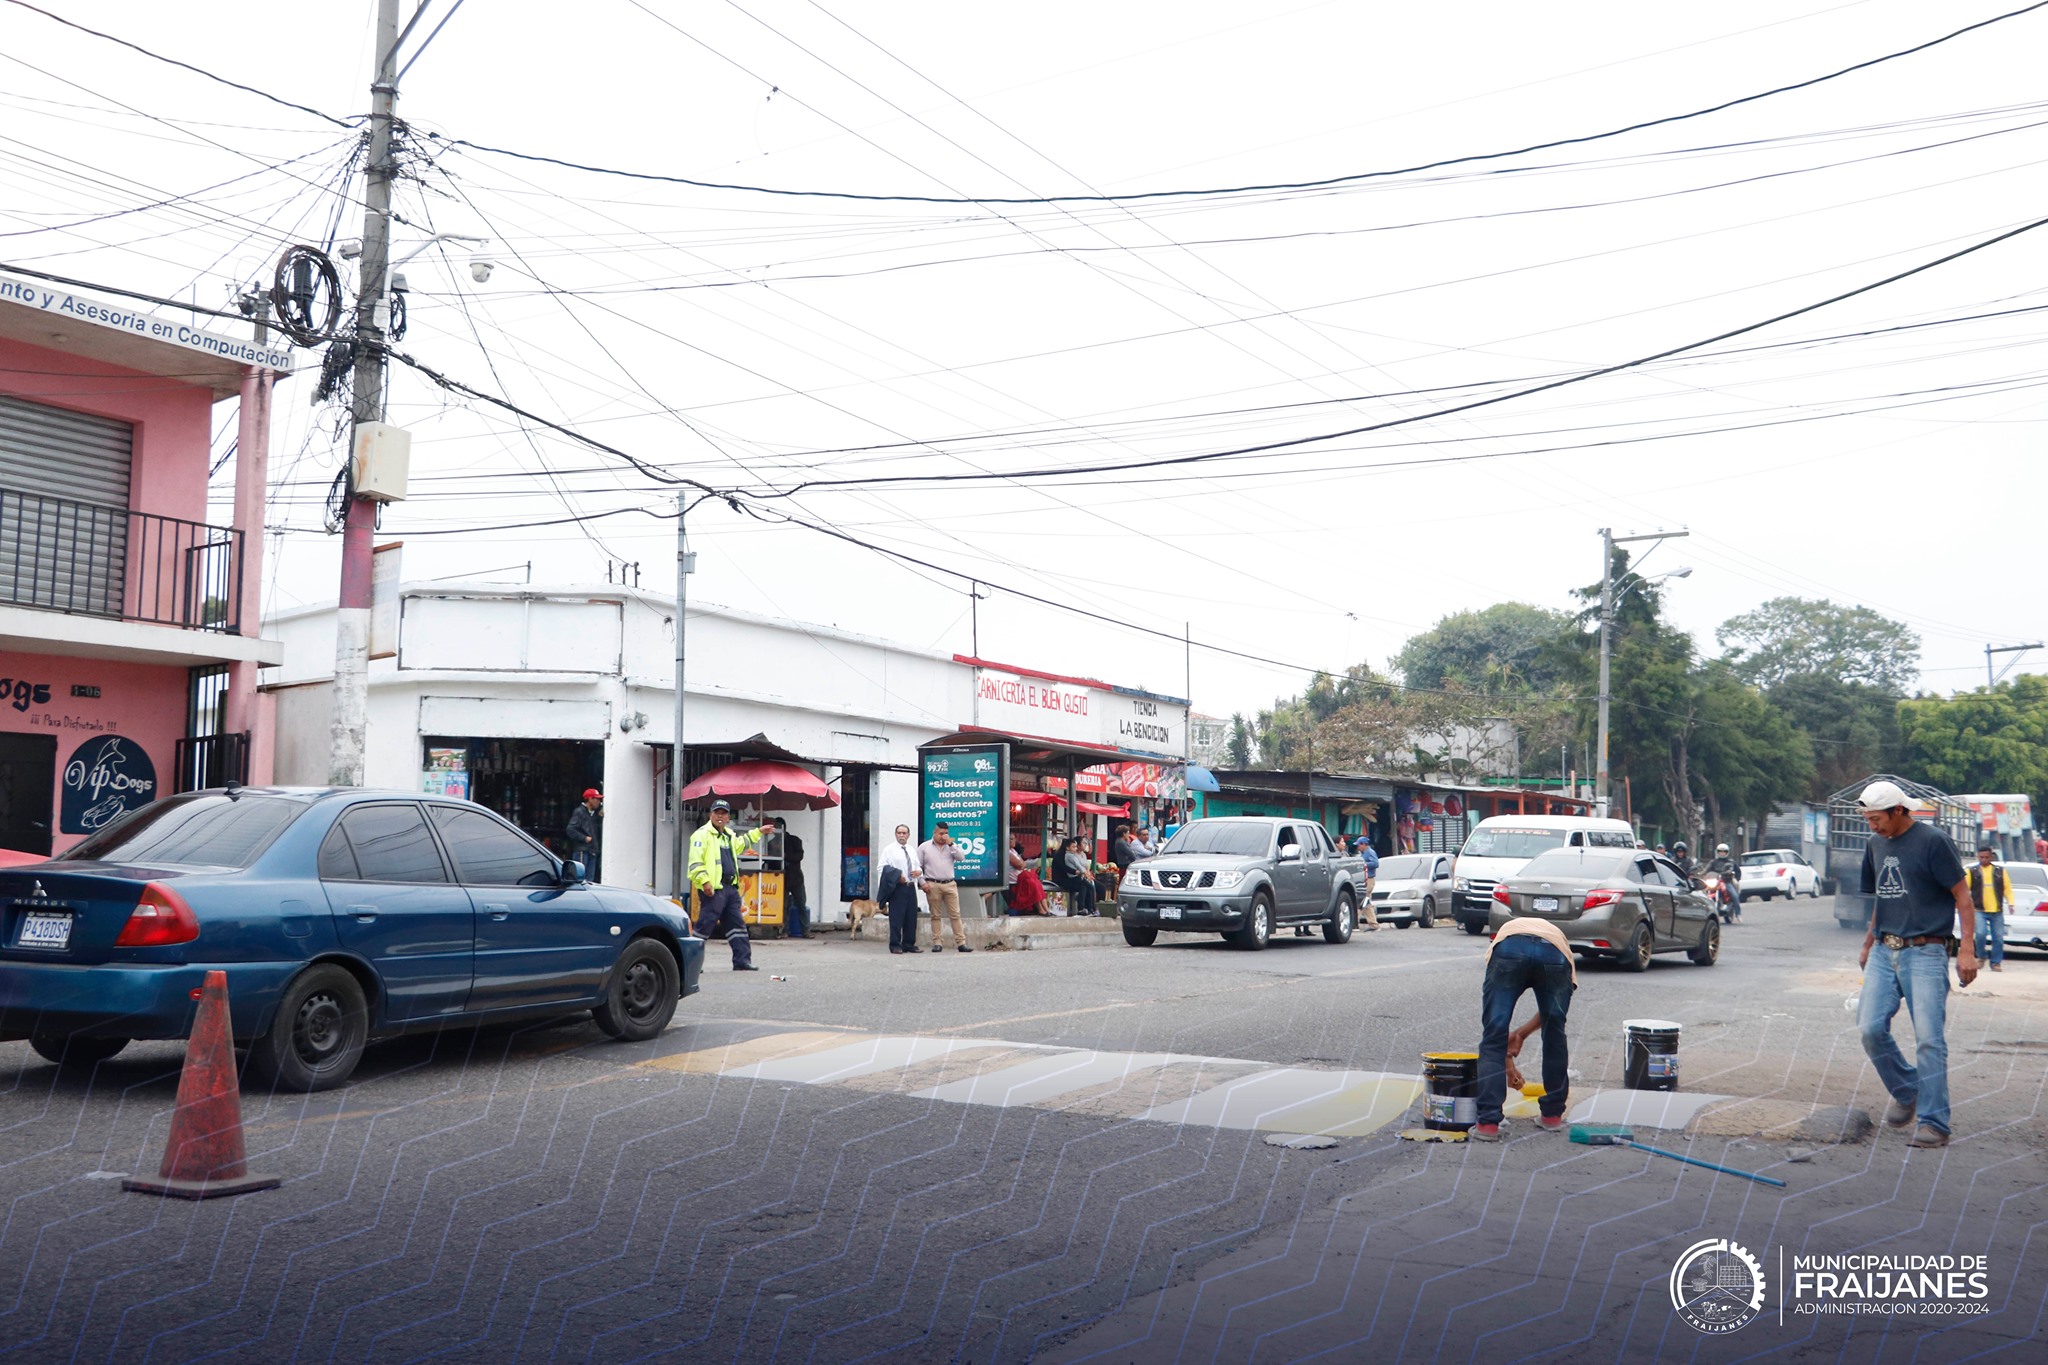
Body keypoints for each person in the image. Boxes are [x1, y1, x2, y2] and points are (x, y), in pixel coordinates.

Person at [1855, 780, 1977, 1149]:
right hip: (1883, 950)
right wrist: (1869, 941)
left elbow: (1963, 896)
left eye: (1877, 819)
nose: (1873, 826)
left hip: (1925, 951)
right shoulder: (1875, 844)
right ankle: (1908, 1089)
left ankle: (1935, 1123)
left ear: (1898, 810)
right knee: (1869, 1028)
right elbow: (1883, 895)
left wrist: (1967, 949)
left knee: (1929, 1040)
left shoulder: (1933, 841)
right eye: (1868, 820)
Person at [1472, 913, 1576, 1141]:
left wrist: (1519, 1034)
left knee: (1493, 1034)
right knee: (1555, 1033)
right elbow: (1553, 1014)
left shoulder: (1505, 935)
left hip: (1509, 948)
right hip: (1554, 952)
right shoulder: (1561, 942)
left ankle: (1488, 1123)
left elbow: (1497, 1032)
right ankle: (1552, 1116)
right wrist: (1522, 1034)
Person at [688, 799, 772, 971]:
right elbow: (695, 863)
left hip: (730, 889)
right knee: (704, 926)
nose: (720, 816)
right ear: (710, 815)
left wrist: (759, 832)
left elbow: (741, 845)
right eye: (717, 813)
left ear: (728, 817)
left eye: (724, 813)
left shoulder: (728, 835)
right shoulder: (701, 835)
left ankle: (742, 961)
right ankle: (692, 963)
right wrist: (705, 882)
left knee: (737, 926)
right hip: (713, 889)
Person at [918, 821, 972, 952]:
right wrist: (922, 882)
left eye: (946, 833)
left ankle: (961, 943)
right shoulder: (924, 847)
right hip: (932, 883)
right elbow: (918, 866)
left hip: (949, 884)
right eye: (941, 833)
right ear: (935, 833)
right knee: (935, 915)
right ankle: (937, 942)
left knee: (955, 914)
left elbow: (961, 857)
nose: (944, 836)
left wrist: (951, 843)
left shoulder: (951, 846)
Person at [878, 822, 923, 953]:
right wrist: (897, 876)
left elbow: (917, 865)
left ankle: (909, 943)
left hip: (910, 886)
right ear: (895, 834)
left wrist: (919, 872)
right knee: (897, 918)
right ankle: (895, 945)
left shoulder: (911, 849)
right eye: (899, 833)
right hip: (898, 887)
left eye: (904, 833)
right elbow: (882, 868)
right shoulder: (889, 850)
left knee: (911, 917)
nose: (901, 835)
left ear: (908, 835)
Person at [1966, 844, 2009, 973]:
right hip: (1979, 910)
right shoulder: (1972, 871)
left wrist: (2011, 903)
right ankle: (1981, 956)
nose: (1984, 859)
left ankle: (1995, 963)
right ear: (1977, 857)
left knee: (1999, 938)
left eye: (1986, 857)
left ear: (1991, 857)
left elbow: (2007, 887)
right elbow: (1966, 889)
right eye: (1981, 857)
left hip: (1997, 910)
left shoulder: (1999, 871)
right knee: (1980, 934)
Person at [773, 817, 808, 939]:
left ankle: (805, 931)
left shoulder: (794, 840)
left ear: (783, 827)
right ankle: (784, 931)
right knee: (783, 906)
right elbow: (772, 861)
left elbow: (799, 856)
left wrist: (786, 856)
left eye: (777, 826)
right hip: (782, 878)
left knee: (801, 904)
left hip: (796, 878)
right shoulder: (772, 843)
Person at [564, 788, 603, 882]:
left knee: (589, 880)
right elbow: (570, 829)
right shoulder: (579, 812)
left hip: (592, 850)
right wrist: (584, 838)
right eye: (596, 799)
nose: (599, 802)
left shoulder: (593, 814)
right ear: (590, 799)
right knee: (580, 879)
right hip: (583, 850)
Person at [1054, 836, 1098, 915]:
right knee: (1083, 886)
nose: (1076, 848)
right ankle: (1082, 908)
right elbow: (1065, 867)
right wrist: (1077, 872)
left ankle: (1089, 908)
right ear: (1067, 847)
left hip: (1071, 877)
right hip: (1062, 879)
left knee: (1086, 886)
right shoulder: (1062, 855)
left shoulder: (1071, 854)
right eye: (1074, 847)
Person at [1004, 838, 1047, 914]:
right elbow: (1020, 865)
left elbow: (1022, 863)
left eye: (1014, 839)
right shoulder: (1006, 852)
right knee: (1032, 885)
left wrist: (1022, 864)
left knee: (1037, 884)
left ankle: (1046, 909)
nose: (1013, 841)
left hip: (1022, 876)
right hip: (1015, 881)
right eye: (1011, 839)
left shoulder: (1014, 851)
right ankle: (1040, 909)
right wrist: (1022, 864)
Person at [1707, 842, 1743, 922]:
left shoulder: (1731, 862)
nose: (1722, 853)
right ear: (1717, 852)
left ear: (1727, 852)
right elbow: (1707, 869)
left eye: (1724, 852)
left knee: (1734, 895)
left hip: (1726, 882)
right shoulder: (1713, 862)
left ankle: (1738, 913)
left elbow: (1738, 872)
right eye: (1720, 851)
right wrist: (1702, 873)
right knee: (1705, 893)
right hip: (1716, 882)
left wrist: (1735, 878)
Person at [1358, 836, 1382, 931]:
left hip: (1369, 879)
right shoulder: (1363, 853)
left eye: (1359, 845)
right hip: (1365, 879)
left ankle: (1354, 923)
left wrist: (1364, 864)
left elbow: (1376, 863)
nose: (1358, 847)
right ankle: (1374, 925)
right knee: (1366, 903)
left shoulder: (1370, 852)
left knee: (1362, 900)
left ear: (1364, 844)